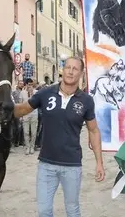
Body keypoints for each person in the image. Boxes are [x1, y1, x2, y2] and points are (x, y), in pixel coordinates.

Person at [13, 56, 105, 217]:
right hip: (46, 165)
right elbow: (22, 109)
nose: (70, 71)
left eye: (75, 69)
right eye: (68, 67)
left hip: (72, 165)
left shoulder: (86, 100)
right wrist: (0, 106)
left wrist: (99, 163)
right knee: (44, 211)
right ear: (63, 70)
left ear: (81, 73)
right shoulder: (45, 93)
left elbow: (93, 131)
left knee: (72, 210)